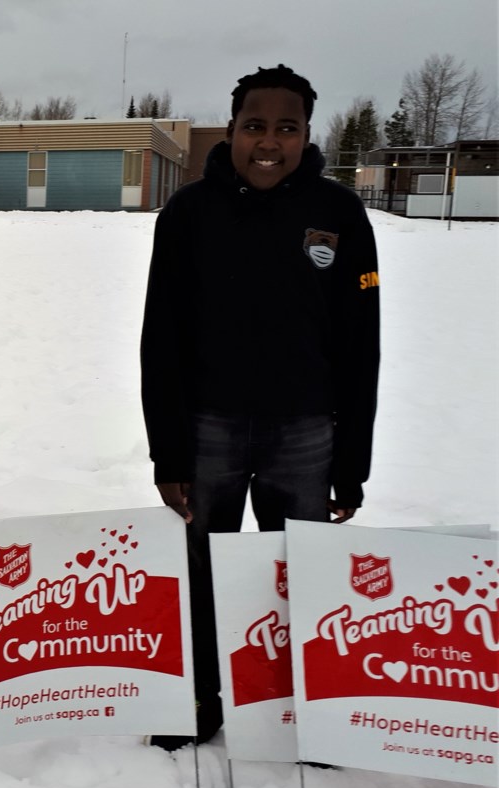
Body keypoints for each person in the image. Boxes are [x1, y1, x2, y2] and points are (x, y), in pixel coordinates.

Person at [140, 65, 380, 751]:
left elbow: (363, 346)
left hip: (305, 434)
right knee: (203, 571)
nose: (268, 142)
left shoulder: (339, 216)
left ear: (307, 133)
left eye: (286, 128)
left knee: (297, 574)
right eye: (254, 126)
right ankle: (199, 697)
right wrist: (169, 450)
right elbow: (161, 339)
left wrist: (351, 461)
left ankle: (298, 704)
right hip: (208, 428)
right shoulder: (190, 214)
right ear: (233, 129)